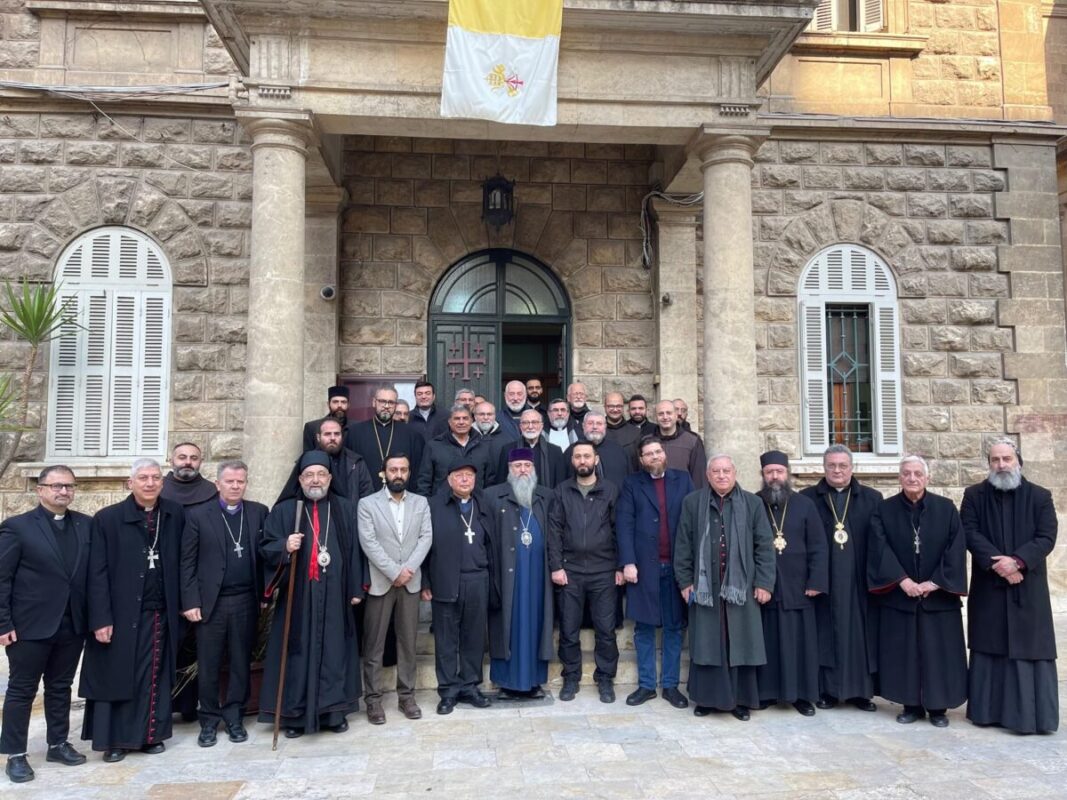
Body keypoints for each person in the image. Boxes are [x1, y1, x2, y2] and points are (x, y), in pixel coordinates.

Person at [80, 459, 185, 762]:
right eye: (143, 478)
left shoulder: (173, 514)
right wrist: (100, 619)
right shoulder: (107, 518)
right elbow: (96, 573)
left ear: (163, 483)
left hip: (160, 613)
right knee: (116, 676)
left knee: (154, 676)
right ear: (130, 483)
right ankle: (114, 741)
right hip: (120, 615)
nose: (150, 483)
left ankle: (151, 735)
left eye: (155, 478)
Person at [258, 451, 365, 738]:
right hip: (299, 596)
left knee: (334, 652)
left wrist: (355, 588)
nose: (315, 480)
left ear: (330, 478)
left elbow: (355, 550)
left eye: (321, 475)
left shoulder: (344, 508)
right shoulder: (284, 511)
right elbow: (265, 547)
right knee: (297, 651)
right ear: (300, 479)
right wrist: (284, 546)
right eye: (309, 475)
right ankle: (294, 716)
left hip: (335, 594)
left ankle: (333, 713)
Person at [0, 466, 91, 783]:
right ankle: (15, 755)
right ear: (40, 490)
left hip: (72, 623)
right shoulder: (17, 528)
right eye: (56, 486)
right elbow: (2, 579)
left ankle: (57, 743)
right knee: (22, 690)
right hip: (29, 626)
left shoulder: (85, 525)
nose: (63, 491)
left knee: (60, 687)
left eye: (68, 486)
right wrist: (2, 623)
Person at [962, 439, 1058, 734]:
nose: (1001, 465)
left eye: (1006, 458)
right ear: (988, 464)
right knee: (991, 645)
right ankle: (987, 713)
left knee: (1029, 648)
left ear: (1019, 461)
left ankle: (1030, 718)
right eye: (995, 460)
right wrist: (999, 565)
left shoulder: (1040, 496)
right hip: (990, 584)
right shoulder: (974, 495)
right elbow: (968, 531)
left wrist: (1017, 562)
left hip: (1027, 587)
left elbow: (1046, 536)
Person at [868, 455, 967, 727]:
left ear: (927, 478)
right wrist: (904, 581)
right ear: (899, 478)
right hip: (901, 595)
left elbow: (956, 549)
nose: (912, 478)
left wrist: (933, 583)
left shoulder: (946, 509)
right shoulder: (884, 510)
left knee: (939, 652)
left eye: (917, 474)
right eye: (907, 473)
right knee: (904, 652)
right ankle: (910, 705)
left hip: (938, 597)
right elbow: (879, 548)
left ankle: (938, 708)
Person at [674, 454, 774, 721]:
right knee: (708, 643)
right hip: (705, 589)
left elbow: (764, 546)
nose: (721, 476)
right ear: (707, 475)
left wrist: (764, 582)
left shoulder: (753, 504)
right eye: (715, 471)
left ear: (735, 473)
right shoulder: (692, 503)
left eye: (726, 471)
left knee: (738, 643)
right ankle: (706, 699)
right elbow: (683, 544)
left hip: (740, 588)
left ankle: (740, 701)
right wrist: (685, 581)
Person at [179, 461, 268, 748]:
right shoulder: (198, 515)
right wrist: (190, 601)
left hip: (245, 600)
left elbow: (264, 555)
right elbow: (187, 563)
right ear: (218, 484)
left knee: (241, 662)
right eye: (229, 481)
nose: (235, 486)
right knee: (209, 664)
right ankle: (208, 720)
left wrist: (266, 594)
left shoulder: (257, 512)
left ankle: (234, 717)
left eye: (240, 481)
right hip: (210, 603)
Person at [800, 444, 882, 712]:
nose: (837, 471)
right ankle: (827, 691)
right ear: (824, 468)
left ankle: (861, 692)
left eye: (842, 466)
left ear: (852, 468)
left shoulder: (872, 498)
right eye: (832, 466)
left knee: (859, 636)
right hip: (824, 581)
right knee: (826, 634)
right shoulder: (807, 498)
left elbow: (880, 542)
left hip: (859, 581)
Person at [617, 439, 694, 709]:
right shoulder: (631, 484)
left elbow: (693, 521)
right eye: (648, 454)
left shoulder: (683, 480)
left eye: (658, 452)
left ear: (665, 454)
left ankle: (671, 686)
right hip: (643, 568)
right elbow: (624, 524)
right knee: (644, 628)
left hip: (677, 568)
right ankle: (647, 685)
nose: (654, 457)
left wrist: (692, 567)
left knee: (674, 627)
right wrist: (627, 562)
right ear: (641, 459)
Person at [357, 454, 432, 725]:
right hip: (381, 582)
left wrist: (408, 570)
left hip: (410, 582)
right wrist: (393, 572)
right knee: (374, 645)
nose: (398, 474)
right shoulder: (367, 504)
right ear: (384, 473)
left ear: (409, 473)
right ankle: (374, 701)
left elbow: (426, 537)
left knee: (408, 643)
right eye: (393, 470)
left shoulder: (421, 503)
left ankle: (407, 696)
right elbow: (368, 541)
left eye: (403, 469)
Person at [754, 451, 827, 716]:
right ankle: (767, 693)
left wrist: (816, 580)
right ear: (763, 475)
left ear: (787, 474)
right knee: (768, 641)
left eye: (779, 472)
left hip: (799, 587)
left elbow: (819, 545)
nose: (775, 477)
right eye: (769, 472)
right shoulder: (754, 503)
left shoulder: (804, 504)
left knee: (800, 643)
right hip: (765, 587)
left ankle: (802, 696)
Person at [549, 442, 621, 704]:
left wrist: (620, 566)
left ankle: (605, 678)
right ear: (572, 461)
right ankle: (571, 678)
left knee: (605, 629)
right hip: (571, 571)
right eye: (578, 456)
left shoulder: (610, 490)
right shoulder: (562, 491)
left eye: (587, 456)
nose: (582, 460)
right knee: (569, 629)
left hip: (604, 571)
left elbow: (619, 530)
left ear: (596, 458)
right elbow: (554, 531)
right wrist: (556, 566)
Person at [424, 462, 494, 714]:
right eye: (459, 476)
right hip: (444, 579)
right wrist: (425, 582)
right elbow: (424, 546)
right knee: (446, 639)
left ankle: (470, 686)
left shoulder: (484, 504)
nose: (465, 480)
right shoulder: (434, 506)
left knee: (474, 637)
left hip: (477, 579)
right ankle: (448, 691)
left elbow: (492, 544)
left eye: (469, 476)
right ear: (449, 479)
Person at [486, 449, 554, 699]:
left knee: (536, 623)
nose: (523, 470)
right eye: (518, 465)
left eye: (527, 465)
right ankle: (506, 682)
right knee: (508, 626)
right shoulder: (493, 496)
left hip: (538, 575)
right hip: (506, 575)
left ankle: (535, 680)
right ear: (509, 468)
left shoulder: (546, 496)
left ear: (533, 468)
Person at [350, 384, 423, 492]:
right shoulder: (355, 432)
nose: (386, 406)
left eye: (391, 402)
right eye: (382, 401)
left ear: (395, 404)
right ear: (374, 402)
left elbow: (417, 472)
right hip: (365, 496)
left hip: (401, 496)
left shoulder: (412, 435)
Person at [280, 418, 373, 502]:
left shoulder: (356, 462)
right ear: (318, 437)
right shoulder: (306, 462)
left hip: (349, 518)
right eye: (327, 434)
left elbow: (367, 498)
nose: (332, 438)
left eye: (337, 434)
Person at [417, 404, 492, 496]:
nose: (461, 422)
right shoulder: (434, 446)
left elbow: (490, 481)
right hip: (442, 505)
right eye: (457, 418)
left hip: (477, 505)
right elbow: (424, 482)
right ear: (449, 422)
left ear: (472, 421)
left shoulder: (484, 445)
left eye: (465, 418)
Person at [495, 409, 566, 489]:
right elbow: (500, 483)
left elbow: (560, 485)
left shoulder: (555, 451)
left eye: (534, 422)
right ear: (520, 426)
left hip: (548, 500)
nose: (530, 426)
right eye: (526, 423)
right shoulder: (508, 449)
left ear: (541, 426)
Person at [564, 412, 631, 488]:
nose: (595, 427)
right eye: (590, 423)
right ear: (583, 426)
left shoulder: (618, 451)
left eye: (599, 423)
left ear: (605, 427)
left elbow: (628, 479)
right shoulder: (572, 451)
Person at [653, 400, 706, 488]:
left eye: (669, 413)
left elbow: (699, 477)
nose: (665, 417)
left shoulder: (692, 441)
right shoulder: (647, 442)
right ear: (656, 417)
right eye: (661, 414)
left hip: (684, 498)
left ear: (675, 415)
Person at [301, 385, 352, 452]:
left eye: (343, 402)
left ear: (348, 405)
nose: (339, 405)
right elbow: (308, 456)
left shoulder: (356, 428)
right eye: (335, 402)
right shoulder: (312, 427)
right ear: (328, 404)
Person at [472, 400, 510, 484]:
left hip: (497, 490)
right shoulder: (466, 437)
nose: (486, 417)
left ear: (495, 416)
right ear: (475, 416)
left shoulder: (506, 440)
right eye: (481, 414)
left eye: (489, 414)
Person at [604, 391, 640, 463]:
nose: (615, 409)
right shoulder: (597, 433)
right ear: (605, 407)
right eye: (611, 406)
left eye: (618, 406)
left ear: (623, 407)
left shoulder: (636, 433)